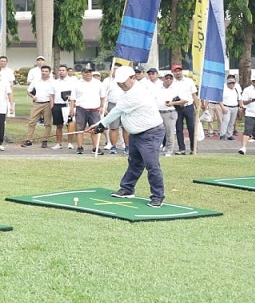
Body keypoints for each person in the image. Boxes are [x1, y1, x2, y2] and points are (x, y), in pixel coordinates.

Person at [83, 65, 166, 207]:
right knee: (134, 162)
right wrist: (100, 125)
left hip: (150, 133)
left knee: (151, 165)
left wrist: (100, 126)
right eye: (119, 82)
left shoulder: (137, 93)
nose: (121, 84)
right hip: (136, 133)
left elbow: (117, 111)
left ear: (133, 78)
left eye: (124, 82)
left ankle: (158, 196)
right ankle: (127, 189)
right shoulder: (127, 90)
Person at [71, 64, 104, 154]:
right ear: (82, 73)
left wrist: (102, 106)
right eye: (86, 72)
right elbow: (73, 98)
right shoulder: (77, 84)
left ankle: (95, 147)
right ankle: (80, 147)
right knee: (80, 129)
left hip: (94, 110)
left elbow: (102, 96)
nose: (88, 74)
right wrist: (71, 110)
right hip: (81, 109)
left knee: (95, 129)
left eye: (89, 72)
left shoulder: (98, 83)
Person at [23, 65, 55, 148]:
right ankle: (29, 140)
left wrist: (52, 105)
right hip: (37, 103)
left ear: (49, 72)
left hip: (47, 103)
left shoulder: (53, 82)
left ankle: (45, 140)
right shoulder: (36, 81)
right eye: (43, 71)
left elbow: (54, 94)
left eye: (46, 71)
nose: (44, 73)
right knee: (32, 122)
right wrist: (32, 96)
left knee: (47, 123)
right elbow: (29, 91)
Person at [169, 65, 198, 154]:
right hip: (177, 108)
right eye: (176, 71)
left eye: (179, 71)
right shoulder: (172, 83)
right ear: (173, 72)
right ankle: (182, 148)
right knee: (178, 128)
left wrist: (197, 107)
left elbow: (194, 95)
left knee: (191, 128)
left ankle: (193, 148)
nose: (178, 73)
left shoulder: (189, 81)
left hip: (188, 106)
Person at [219, 75, 241, 140]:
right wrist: (222, 107)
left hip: (235, 107)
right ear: (227, 83)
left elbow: (239, 98)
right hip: (226, 107)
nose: (232, 84)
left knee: (232, 122)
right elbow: (219, 99)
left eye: (233, 83)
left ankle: (229, 135)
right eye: (230, 83)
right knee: (226, 121)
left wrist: (240, 106)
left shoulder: (236, 90)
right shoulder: (224, 89)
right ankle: (222, 134)